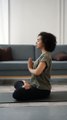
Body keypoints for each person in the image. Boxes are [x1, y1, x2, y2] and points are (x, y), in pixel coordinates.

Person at [12, 32, 56, 101]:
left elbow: (37, 72)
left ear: (44, 42)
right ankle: (25, 85)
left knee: (16, 94)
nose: (36, 42)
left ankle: (24, 86)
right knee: (17, 83)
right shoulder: (42, 56)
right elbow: (38, 69)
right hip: (34, 86)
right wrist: (33, 65)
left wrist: (29, 67)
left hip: (42, 90)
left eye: (38, 40)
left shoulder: (46, 56)